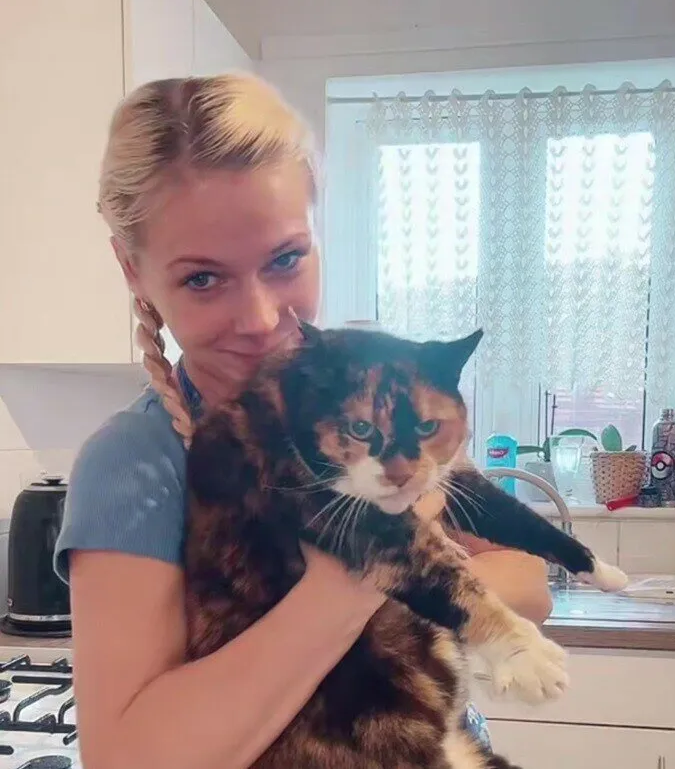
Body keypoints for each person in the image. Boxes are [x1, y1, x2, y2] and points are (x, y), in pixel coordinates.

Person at [53, 73, 552, 769]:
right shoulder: (137, 461)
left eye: (285, 259)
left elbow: (530, 581)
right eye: (203, 278)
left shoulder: (371, 394)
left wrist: (431, 583)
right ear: (132, 269)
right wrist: (365, 581)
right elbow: (129, 758)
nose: (262, 320)